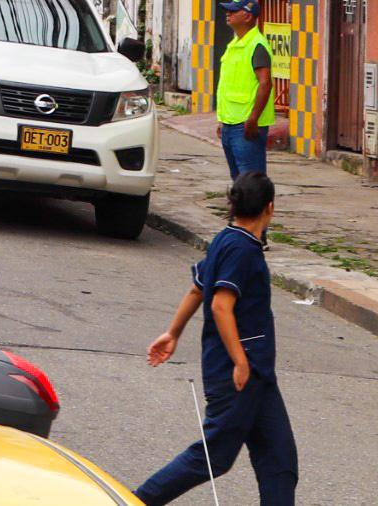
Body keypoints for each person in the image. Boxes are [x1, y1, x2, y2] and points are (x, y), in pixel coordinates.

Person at [135, 172, 296, 505]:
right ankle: (135, 501)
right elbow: (221, 305)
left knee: (280, 463)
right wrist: (239, 361)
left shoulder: (228, 239)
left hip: (259, 376)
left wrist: (173, 333)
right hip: (238, 374)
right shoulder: (241, 250)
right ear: (270, 208)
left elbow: (197, 289)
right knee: (213, 457)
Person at [215, 0, 283, 180]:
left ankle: (259, 209)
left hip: (246, 125)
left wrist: (253, 119)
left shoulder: (257, 45)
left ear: (248, 16)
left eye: (233, 11)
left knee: (251, 179)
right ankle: (241, 209)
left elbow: (265, 83)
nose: (228, 14)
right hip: (231, 122)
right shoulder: (235, 44)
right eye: (227, 10)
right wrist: (222, 119)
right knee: (237, 178)